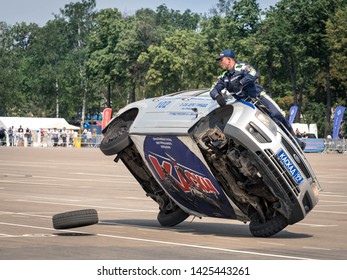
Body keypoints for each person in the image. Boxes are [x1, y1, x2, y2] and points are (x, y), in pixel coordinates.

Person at [210, 49, 305, 149]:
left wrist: (241, 82)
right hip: (246, 105)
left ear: (229, 60)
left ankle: (296, 141)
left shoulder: (241, 67)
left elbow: (254, 73)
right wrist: (217, 96)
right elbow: (213, 89)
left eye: (221, 60)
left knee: (277, 115)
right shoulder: (223, 76)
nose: (220, 63)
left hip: (259, 97)